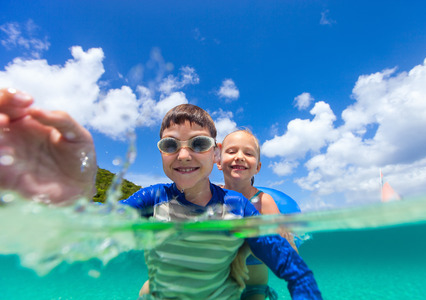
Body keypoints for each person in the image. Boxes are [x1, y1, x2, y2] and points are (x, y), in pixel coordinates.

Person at [0, 88, 321, 299]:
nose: (183, 155)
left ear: (214, 156)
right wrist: (71, 201)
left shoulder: (237, 206)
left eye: (198, 144)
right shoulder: (151, 199)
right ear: (162, 154)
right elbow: (96, 226)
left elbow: (295, 271)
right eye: (171, 145)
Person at [217, 130, 298, 300]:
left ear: (257, 167)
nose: (239, 157)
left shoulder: (263, 201)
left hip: (254, 284)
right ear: (218, 161)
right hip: (221, 282)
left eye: (248, 153)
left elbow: (286, 246)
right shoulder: (212, 197)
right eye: (231, 151)